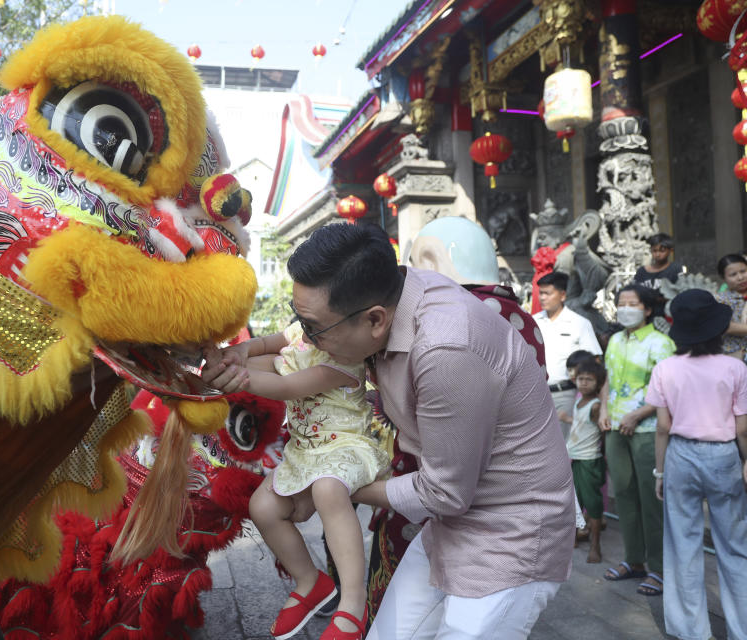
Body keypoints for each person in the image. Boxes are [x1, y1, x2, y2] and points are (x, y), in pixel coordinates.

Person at [203, 223, 574, 640]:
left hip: (511, 534)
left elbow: (445, 492)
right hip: (448, 524)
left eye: (313, 329)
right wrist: (234, 359)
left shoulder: (446, 349)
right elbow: (285, 361)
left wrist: (331, 486)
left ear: (375, 320)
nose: (304, 339)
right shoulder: (391, 301)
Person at [205, 321, 390, 640]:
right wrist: (231, 355)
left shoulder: (344, 358)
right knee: (261, 506)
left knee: (328, 488)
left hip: (346, 446)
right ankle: (309, 581)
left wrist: (237, 375)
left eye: (314, 322)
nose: (304, 328)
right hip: (306, 450)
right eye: (303, 319)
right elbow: (268, 348)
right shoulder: (307, 332)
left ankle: (353, 601)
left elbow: (287, 385)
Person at [645, 289, 747, 640]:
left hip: (680, 455)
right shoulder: (735, 367)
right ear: (717, 329)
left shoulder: (665, 368)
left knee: (682, 546)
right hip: (723, 456)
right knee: (735, 547)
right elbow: (743, 428)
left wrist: (660, 472)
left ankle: (692, 631)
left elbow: (662, 426)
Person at [599, 284, 674, 595]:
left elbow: (667, 392)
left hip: (646, 431)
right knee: (625, 496)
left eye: (633, 303)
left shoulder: (661, 344)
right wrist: (603, 408)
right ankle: (634, 560)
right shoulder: (615, 340)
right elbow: (607, 380)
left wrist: (637, 415)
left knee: (650, 500)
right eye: (621, 302)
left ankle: (658, 567)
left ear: (647, 309)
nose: (625, 307)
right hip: (616, 429)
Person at [533, 272, 602, 440]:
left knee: (565, 446)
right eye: (540, 293)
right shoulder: (533, 321)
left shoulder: (579, 323)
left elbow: (595, 361)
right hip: (536, 394)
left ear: (562, 295)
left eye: (547, 293)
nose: (542, 298)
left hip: (566, 395)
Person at [567, 359, 606, 564]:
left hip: (589, 460)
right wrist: (567, 419)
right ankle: (572, 538)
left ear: (598, 383)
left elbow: (602, 431)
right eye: (581, 379)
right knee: (575, 502)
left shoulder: (596, 405)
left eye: (589, 380)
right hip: (576, 457)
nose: (583, 383)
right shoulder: (579, 400)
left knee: (593, 504)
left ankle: (595, 546)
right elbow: (582, 425)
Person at [715, 253, 747, 361]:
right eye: (733, 275)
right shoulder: (720, 300)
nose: (740, 277)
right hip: (733, 357)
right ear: (723, 278)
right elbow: (726, 326)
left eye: (743, 271)